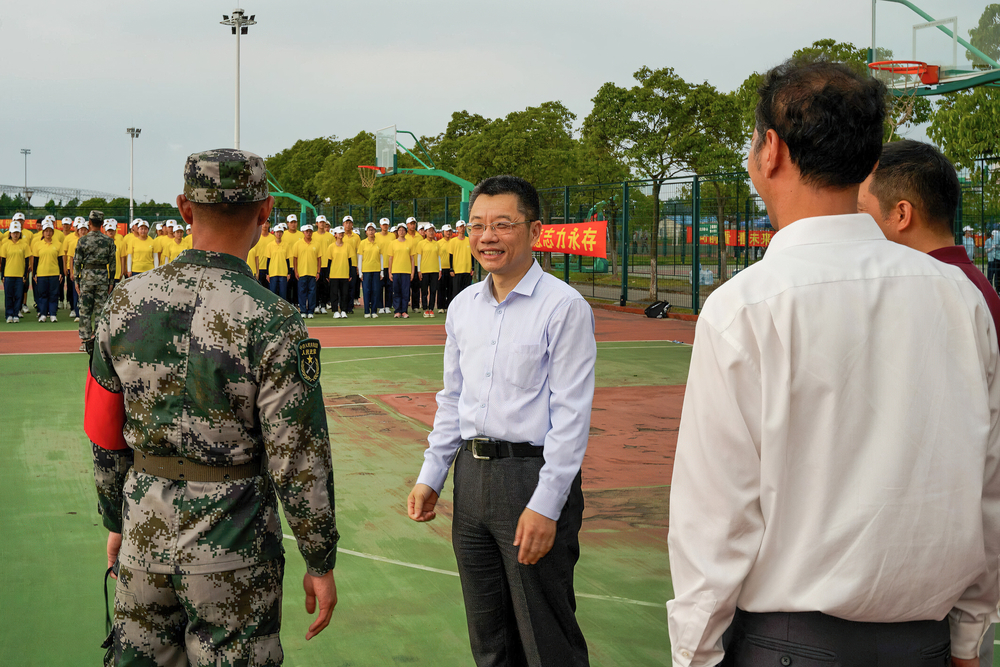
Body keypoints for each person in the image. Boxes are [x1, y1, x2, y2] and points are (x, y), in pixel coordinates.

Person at [667, 59, 1000, 667]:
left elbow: (715, 516)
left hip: (789, 644)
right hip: (923, 640)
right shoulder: (959, 297)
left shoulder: (745, 307)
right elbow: (987, 482)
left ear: (770, 150)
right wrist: (969, 635)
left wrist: (695, 654)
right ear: (870, 161)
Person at [86, 148, 339, 665]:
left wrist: (117, 519)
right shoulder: (275, 320)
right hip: (233, 541)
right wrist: (319, 557)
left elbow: (103, 431)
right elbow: (299, 455)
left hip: (144, 533)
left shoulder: (123, 302)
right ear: (265, 213)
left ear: (184, 208)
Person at [407, 175, 595, 667]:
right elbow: (453, 400)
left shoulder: (562, 306)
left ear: (534, 230)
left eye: (502, 225)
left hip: (528, 479)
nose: (487, 237)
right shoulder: (463, 307)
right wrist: (433, 475)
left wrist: (547, 504)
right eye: (477, 225)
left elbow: (572, 416)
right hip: (471, 482)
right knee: (489, 636)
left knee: (544, 635)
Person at [858, 139, 1000, 667]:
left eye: (860, 211)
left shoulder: (948, 300)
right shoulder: (972, 292)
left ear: (901, 214)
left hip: (940, 590)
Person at [73, 210, 116, 353]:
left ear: (89, 223)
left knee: (85, 310)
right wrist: (111, 282)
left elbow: (77, 261)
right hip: (103, 279)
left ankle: (85, 342)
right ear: (102, 224)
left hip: (87, 278)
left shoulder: (82, 240)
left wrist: (77, 279)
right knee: (100, 311)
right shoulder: (109, 241)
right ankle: (98, 341)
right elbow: (113, 263)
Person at [1, 220, 29, 323]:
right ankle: (9, 314)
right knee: (8, 295)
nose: (15, 235)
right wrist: (2, 275)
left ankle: (16, 313)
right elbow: (3, 261)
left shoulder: (24, 244)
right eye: (13, 233)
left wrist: (25, 275)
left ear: (20, 233)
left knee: (18, 295)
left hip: (19, 275)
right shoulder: (5, 245)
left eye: (17, 233)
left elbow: (26, 261)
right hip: (8, 274)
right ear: (10, 233)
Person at [387, 223, 416, 318]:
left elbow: (412, 259)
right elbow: (390, 258)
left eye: (403, 230)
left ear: (406, 232)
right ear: (397, 232)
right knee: (396, 291)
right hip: (395, 271)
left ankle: (404, 311)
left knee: (405, 292)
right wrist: (390, 272)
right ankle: (397, 311)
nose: (401, 232)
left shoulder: (410, 243)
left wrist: (412, 272)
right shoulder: (392, 243)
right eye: (399, 230)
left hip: (406, 271)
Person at [292, 224, 321, 319]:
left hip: (312, 272)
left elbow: (319, 259)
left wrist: (318, 271)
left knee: (312, 293)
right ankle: (303, 310)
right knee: (302, 292)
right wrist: (296, 271)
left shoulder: (316, 244)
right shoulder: (298, 244)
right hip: (301, 272)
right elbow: (295, 259)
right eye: (307, 231)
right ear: (303, 232)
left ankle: (311, 311)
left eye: (310, 231)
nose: (308, 233)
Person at [358, 222, 382, 318]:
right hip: (366, 270)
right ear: (366, 232)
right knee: (366, 291)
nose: (371, 231)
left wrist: (382, 271)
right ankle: (367, 311)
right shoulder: (362, 243)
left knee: (376, 290)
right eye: (369, 230)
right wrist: (360, 272)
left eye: (372, 230)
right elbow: (360, 258)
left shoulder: (378, 243)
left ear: (375, 231)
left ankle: (374, 311)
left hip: (376, 269)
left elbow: (381, 257)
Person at [326, 226, 351, 319]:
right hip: (334, 274)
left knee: (344, 293)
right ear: (335, 235)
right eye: (339, 233)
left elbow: (350, 261)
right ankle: (335, 311)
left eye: (342, 233)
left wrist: (350, 274)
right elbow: (329, 262)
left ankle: (344, 310)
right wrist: (328, 274)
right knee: (334, 294)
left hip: (344, 274)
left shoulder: (348, 246)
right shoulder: (331, 247)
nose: (341, 234)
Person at [417, 224, 441, 317]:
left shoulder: (436, 243)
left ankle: (431, 309)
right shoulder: (421, 243)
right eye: (429, 230)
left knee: (433, 290)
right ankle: (425, 308)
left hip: (434, 270)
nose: (431, 232)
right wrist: (419, 270)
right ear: (425, 232)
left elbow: (438, 257)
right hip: (424, 270)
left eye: (432, 230)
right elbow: (419, 257)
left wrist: (440, 269)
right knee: (424, 290)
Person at [265, 224, 291, 300]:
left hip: (283, 272)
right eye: (277, 232)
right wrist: (267, 273)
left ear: (282, 233)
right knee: (273, 292)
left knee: (283, 293)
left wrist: (288, 273)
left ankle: (283, 310)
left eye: (280, 232)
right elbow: (268, 260)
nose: (279, 234)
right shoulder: (270, 245)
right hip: (273, 272)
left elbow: (287, 260)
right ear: (274, 233)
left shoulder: (286, 245)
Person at [449, 220, 474, 297]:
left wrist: (472, 268)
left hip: (467, 270)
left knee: (466, 292)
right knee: (456, 292)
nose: (462, 228)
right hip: (457, 270)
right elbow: (451, 256)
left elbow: (472, 255)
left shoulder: (469, 240)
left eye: (463, 226)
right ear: (457, 228)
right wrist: (451, 269)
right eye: (460, 227)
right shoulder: (452, 241)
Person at [376, 218, 394, 313]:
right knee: (379, 287)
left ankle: (387, 306)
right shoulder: (376, 236)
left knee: (389, 287)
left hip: (390, 265)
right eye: (383, 224)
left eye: (386, 224)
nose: (385, 226)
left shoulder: (392, 236)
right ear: (380, 225)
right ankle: (380, 306)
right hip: (379, 266)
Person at [437, 224, 453, 312]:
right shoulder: (438, 243)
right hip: (442, 268)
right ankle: (441, 306)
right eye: (447, 231)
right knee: (441, 288)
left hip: (451, 268)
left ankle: (448, 306)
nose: (448, 233)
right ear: (443, 232)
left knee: (450, 288)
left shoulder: (453, 242)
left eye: (450, 231)